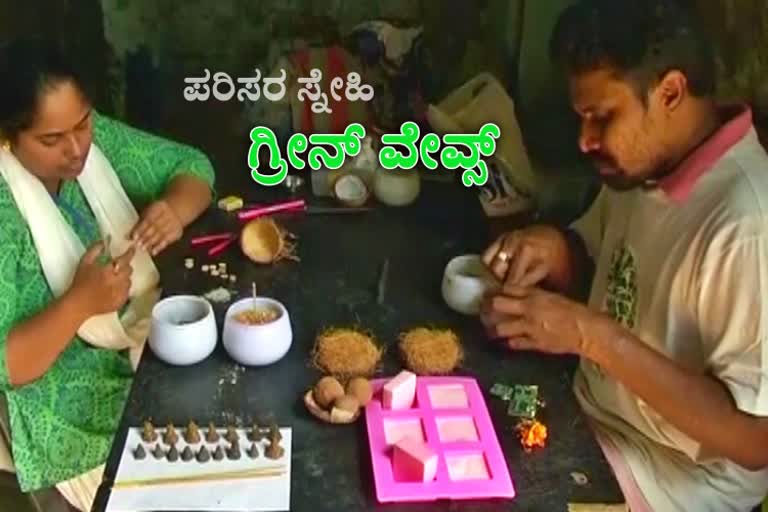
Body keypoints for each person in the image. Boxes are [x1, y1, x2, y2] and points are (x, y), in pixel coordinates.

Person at [481, 1, 768, 511]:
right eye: (581, 117)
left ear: (670, 92)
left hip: (668, 480)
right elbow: (607, 271)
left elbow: (755, 440)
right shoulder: (645, 165)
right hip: (594, 416)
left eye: (602, 117)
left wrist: (590, 335)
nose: (585, 140)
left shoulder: (747, 224)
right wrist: (555, 250)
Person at [0, 37, 215, 511]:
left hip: (124, 353)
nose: (76, 149)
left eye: (83, 122)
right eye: (51, 139)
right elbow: (8, 365)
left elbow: (193, 167)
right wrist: (79, 303)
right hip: (54, 409)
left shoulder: (93, 147)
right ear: (7, 137)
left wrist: (173, 210)